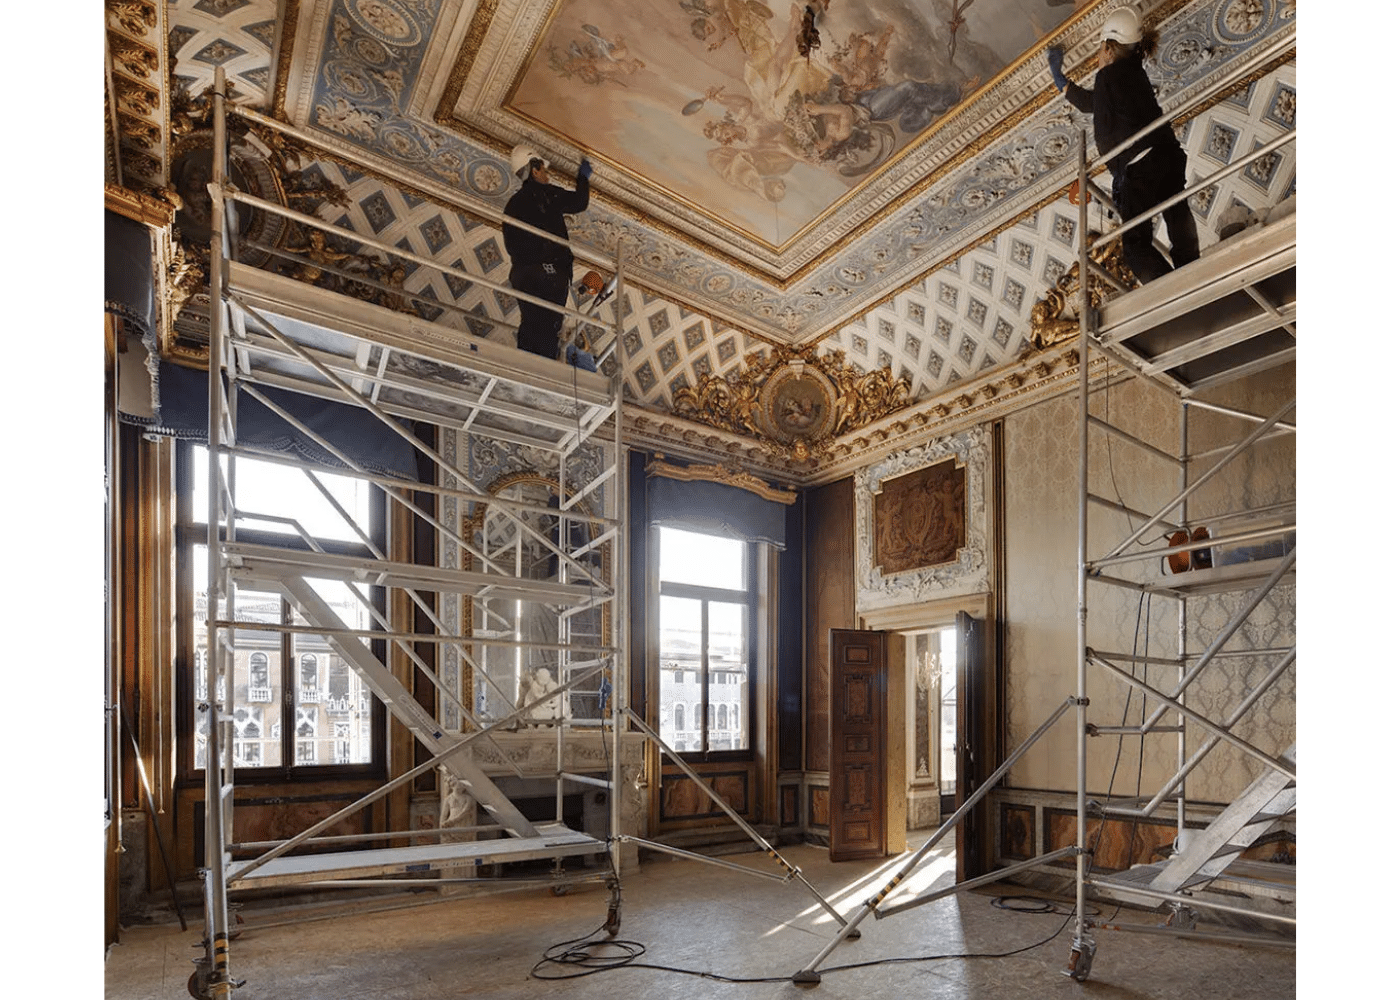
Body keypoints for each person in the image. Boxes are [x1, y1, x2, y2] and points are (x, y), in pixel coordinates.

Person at [1047, 7, 1198, 285]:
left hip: (1141, 165)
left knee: (1135, 247)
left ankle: (1174, 291)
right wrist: (1062, 83)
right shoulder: (1132, 74)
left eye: (1099, 52)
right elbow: (1094, 103)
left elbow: (1095, 106)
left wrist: (1058, 78)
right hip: (1167, 154)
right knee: (1176, 210)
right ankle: (1193, 273)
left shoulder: (1108, 76)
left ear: (1107, 48)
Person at [502, 145, 591, 359]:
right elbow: (579, 203)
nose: (547, 175)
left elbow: (513, 245)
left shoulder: (512, 205)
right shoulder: (544, 194)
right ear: (534, 170)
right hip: (547, 274)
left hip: (524, 275)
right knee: (547, 325)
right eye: (544, 169)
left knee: (533, 322)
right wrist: (583, 178)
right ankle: (539, 368)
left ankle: (531, 365)